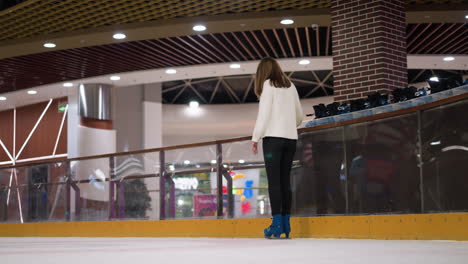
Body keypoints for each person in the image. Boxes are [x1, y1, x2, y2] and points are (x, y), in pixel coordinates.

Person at [251, 57, 303, 239]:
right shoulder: (291, 86)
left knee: (274, 182)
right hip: (291, 139)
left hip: (273, 139)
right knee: (285, 181)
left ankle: (276, 224)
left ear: (262, 73)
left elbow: (263, 115)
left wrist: (255, 137)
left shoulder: (267, 85)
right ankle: (286, 225)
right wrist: (289, 124)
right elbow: (299, 116)